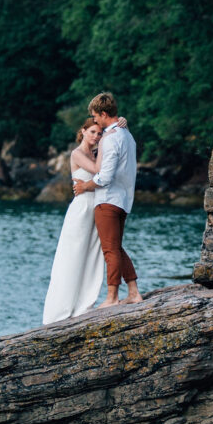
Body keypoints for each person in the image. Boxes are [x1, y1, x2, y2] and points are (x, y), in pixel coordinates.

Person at [73, 92, 141, 307]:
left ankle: (112, 298)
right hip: (124, 199)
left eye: (95, 116)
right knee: (117, 247)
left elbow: (104, 177)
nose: (95, 120)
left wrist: (85, 186)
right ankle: (134, 292)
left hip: (108, 200)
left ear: (103, 114)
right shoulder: (127, 135)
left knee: (110, 250)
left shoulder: (111, 139)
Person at [41, 119, 107, 323]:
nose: (96, 136)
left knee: (93, 253)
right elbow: (98, 171)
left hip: (95, 206)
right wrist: (106, 144)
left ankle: (84, 304)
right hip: (80, 209)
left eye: (99, 134)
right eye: (93, 132)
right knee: (72, 255)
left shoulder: (96, 153)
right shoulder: (77, 153)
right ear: (83, 131)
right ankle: (59, 310)